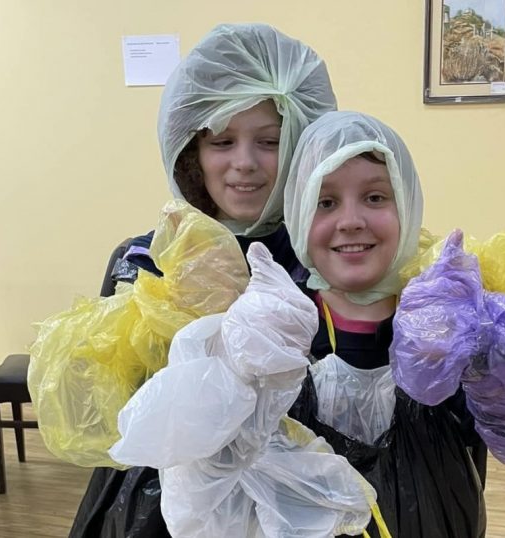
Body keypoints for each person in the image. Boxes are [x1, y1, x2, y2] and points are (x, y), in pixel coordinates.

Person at [281, 110, 505, 537]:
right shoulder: (283, 323)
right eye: (325, 202)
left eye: (375, 197)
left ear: (407, 204)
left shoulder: (452, 315)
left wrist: (503, 365)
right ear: (295, 213)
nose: (351, 220)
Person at [68, 23, 337, 538]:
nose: (245, 164)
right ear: (191, 150)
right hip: (162, 511)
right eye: (222, 141)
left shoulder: (324, 258)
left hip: (293, 506)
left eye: (270, 141)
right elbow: (115, 407)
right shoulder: (146, 261)